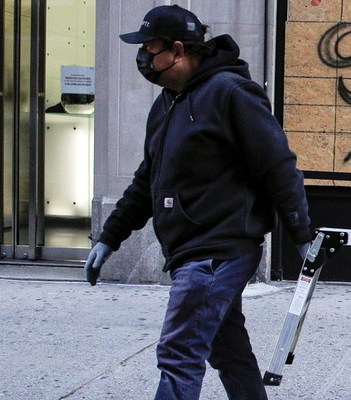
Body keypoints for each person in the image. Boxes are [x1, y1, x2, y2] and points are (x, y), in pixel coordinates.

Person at [83, 5, 314, 399]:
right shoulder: (167, 103)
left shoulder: (232, 93)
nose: (143, 59)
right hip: (190, 250)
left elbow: (277, 165)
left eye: (150, 49)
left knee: (179, 354)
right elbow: (146, 181)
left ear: (178, 50)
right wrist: (109, 237)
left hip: (217, 251)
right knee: (229, 352)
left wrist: (302, 235)